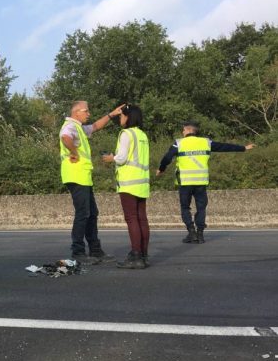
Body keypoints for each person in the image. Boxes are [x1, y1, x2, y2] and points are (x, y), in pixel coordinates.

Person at [157, 120, 254, 244]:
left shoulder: (179, 143)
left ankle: (191, 232)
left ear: (188, 130)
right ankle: (200, 234)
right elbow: (224, 147)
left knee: (185, 207)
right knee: (201, 208)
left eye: (183, 130)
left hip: (185, 182)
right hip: (201, 182)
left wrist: (161, 169)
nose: (182, 132)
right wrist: (244, 148)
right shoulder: (206, 142)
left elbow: (167, 157)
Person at [60, 101, 125, 264]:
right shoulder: (70, 126)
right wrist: (73, 151)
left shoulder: (79, 128)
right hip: (75, 175)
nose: (89, 114)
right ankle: (78, 252)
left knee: (92, 213)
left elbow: (95, 126)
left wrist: (111, 114)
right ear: (76, 113)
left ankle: (95, 250)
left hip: (83, 176)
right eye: (86, 111)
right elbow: (65, 137)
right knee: (83, 214)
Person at [101, 105, 150, 269]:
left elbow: (121, 158)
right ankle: (143, 254)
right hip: (142, 182)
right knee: (142, 218)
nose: (120, 119)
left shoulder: (126, 134)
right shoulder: (143, 135)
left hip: (129, 182)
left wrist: (110, 158)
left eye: (121, 116)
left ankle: (135, 255)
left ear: (128, 117)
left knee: (131, 219)